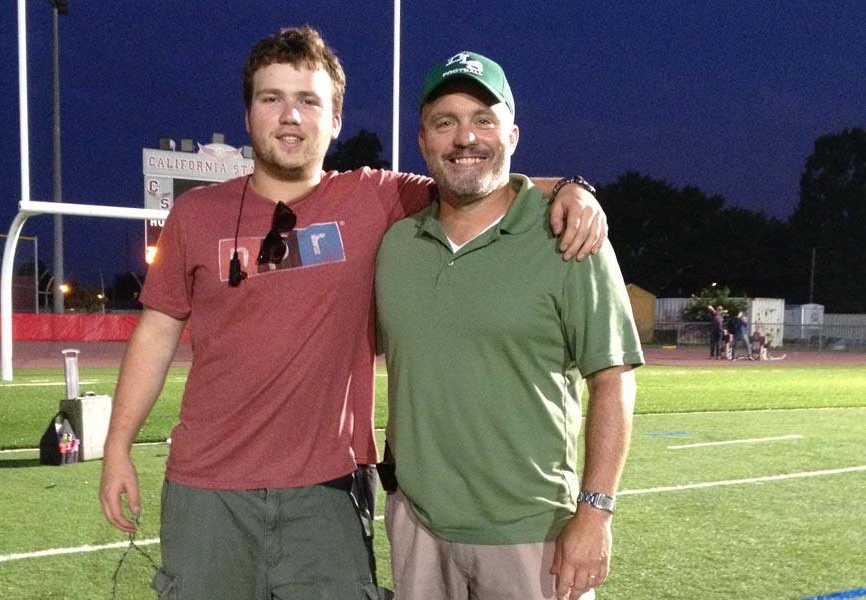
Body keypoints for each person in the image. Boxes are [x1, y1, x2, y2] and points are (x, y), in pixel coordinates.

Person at [98, 28, 608, 599]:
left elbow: (476, 178)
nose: (290, 116)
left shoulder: (375, 196)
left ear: (335, 120)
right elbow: (156, 334)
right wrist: (118, 446)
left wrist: (572, 186)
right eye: (272, 99)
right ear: (248, 116)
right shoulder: (195, 214)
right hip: (207, 488)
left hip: (328, 492)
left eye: (309, 101)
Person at [375, 51, 644, 600]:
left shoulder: (569, 237)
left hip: (534, 533)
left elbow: (613, 379)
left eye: (483, 120)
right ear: (423, 139)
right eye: (445, 122)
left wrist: (596, 513)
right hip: (418, 527)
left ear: (513, 134)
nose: (464, 138)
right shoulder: (397, 244)